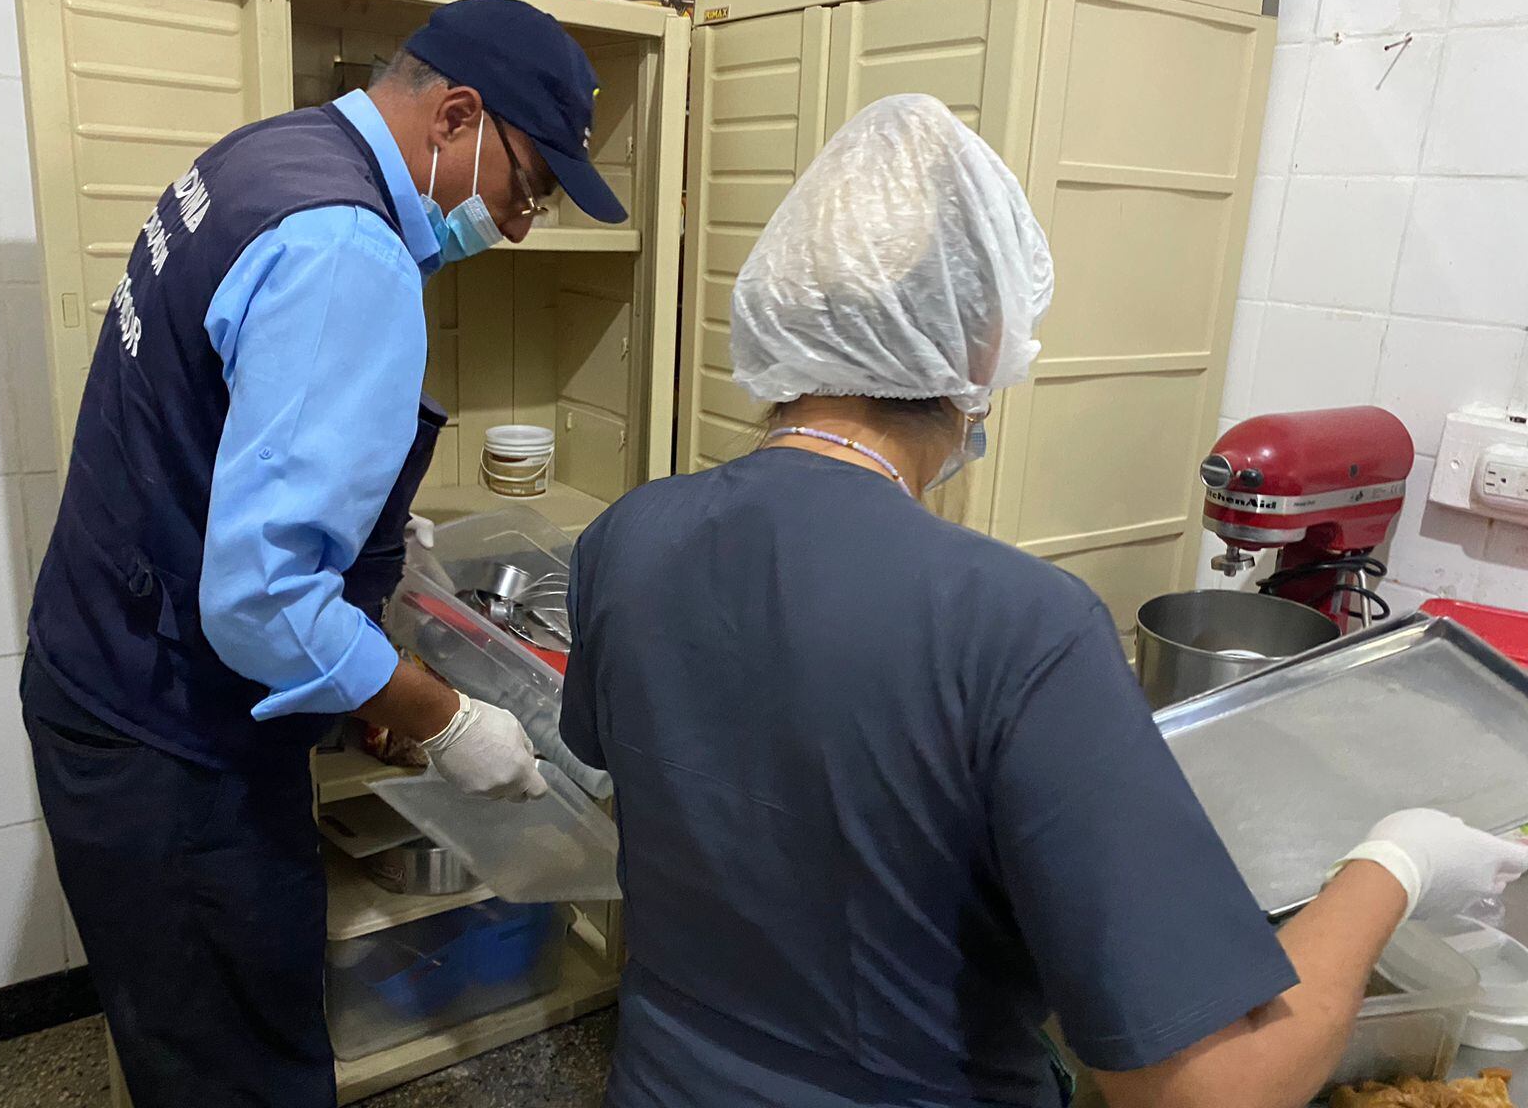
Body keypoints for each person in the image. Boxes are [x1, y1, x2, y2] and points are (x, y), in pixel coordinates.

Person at [558, 94, 1528, 1108]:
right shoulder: (1017, 623)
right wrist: (1395, 866)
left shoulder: (628, 535)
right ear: (980, 349)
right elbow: (1208, 1090)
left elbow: (693, 803)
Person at [20, 0, 627, 1106]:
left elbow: (217, 438)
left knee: (185, 1046)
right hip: (169, 736)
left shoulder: (271, 153)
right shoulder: (348, 251)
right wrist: (443, 720)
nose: (524, 225)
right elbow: (259, 598)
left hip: (99, 661)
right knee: (242, 1068)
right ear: (456, 117)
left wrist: (363, 589)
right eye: (527, 187)